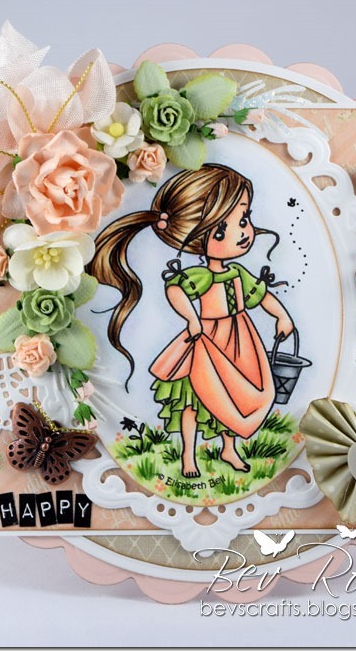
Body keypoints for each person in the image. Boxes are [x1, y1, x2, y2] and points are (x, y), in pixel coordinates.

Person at [92, 164, 294, 478]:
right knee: (193, 399)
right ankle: (189, 455)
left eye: (244, 219)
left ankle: (229, 448)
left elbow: (260, 295)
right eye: (222, 230)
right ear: (199, 237)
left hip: (240, 342)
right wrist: (192, 318)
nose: (243, 232)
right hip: (205, 341)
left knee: (234, 393)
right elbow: (175, 290)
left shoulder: (238, 273)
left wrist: (281, 315)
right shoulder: (201, 275)